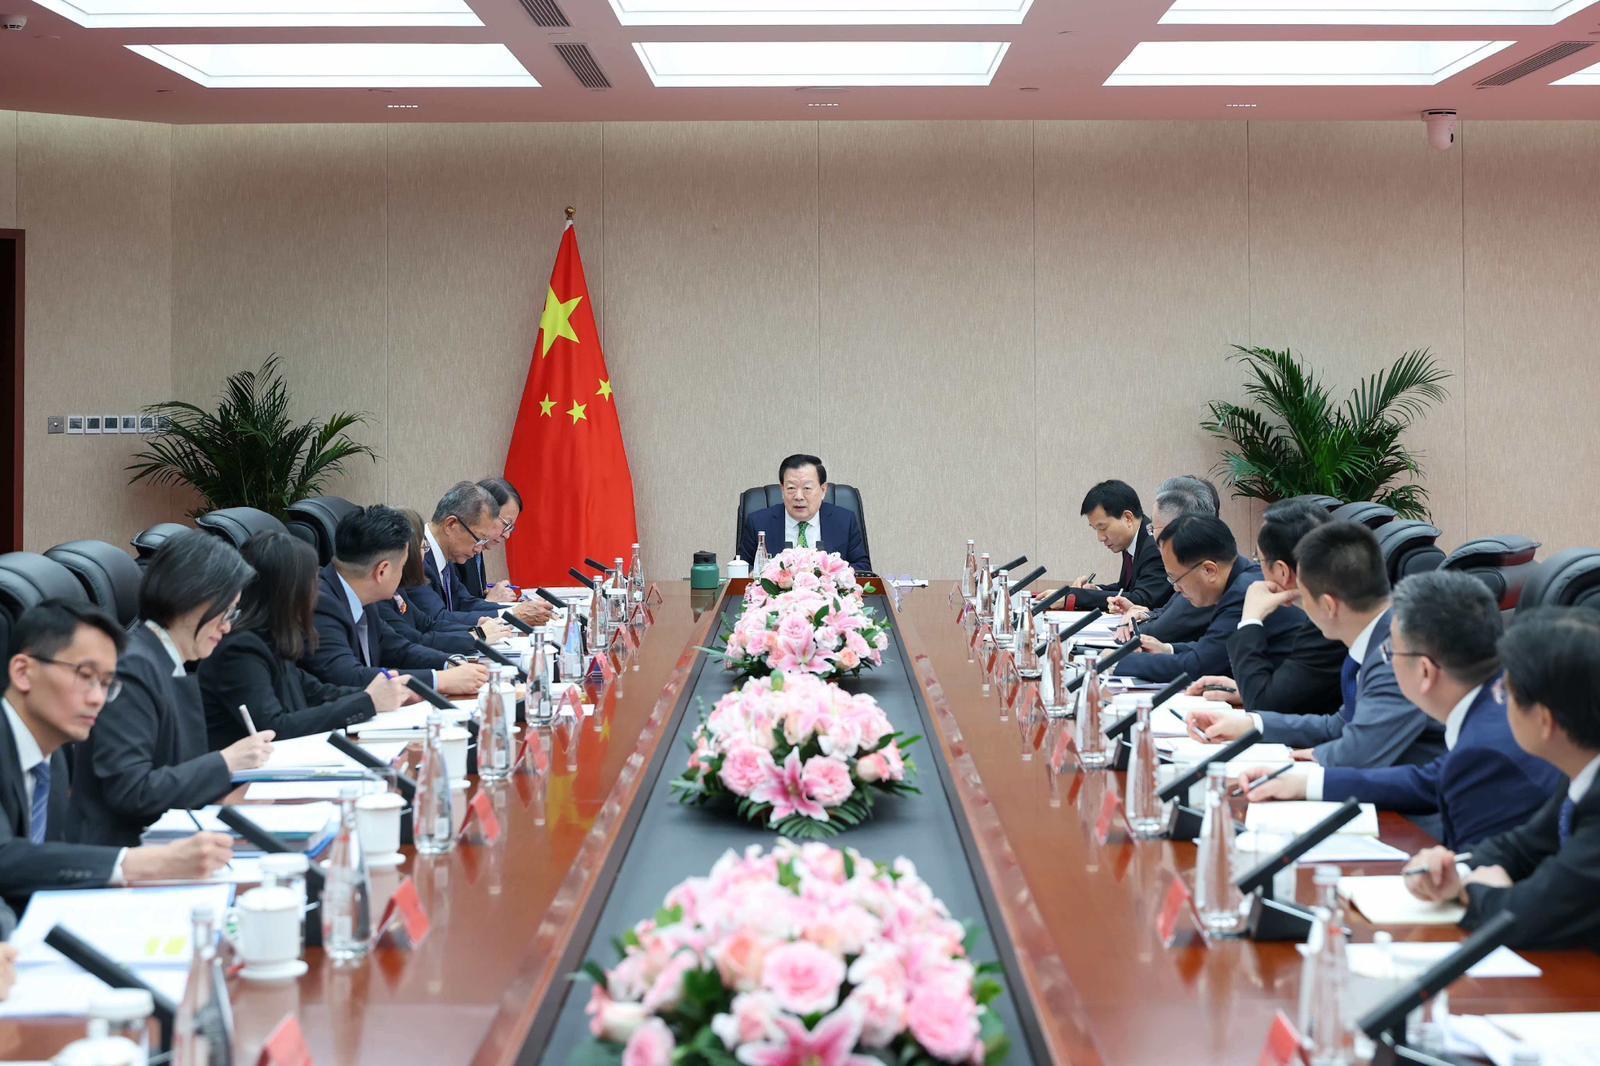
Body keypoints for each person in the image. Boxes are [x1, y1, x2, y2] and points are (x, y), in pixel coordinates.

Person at [1238, 571, 1562, 850]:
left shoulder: (1484, 745)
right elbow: (1429, 781)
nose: (1387, 660)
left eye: (1391, 650)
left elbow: (1484, 880)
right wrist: (1306, 783)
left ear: (1424, 671)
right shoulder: (1498, 699)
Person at [3, 601, 234, 903]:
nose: (98, 698)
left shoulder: (51, 756)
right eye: (85, 676)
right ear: (23, 672)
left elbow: (43, 861)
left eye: (106, 684)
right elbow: (5, 856)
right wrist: (141, 863)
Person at [1404, 607, 1600, 952]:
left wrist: (1471, 892)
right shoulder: (1582, 768)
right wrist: (1452, 868)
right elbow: (1521, 846)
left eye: (1505, 695)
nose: (1500, 704)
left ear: (1544, 720)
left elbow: (1529, 915)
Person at [1185, 521, 1445, 771]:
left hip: (1419, 807)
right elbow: (1339, 726)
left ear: (1328, 606)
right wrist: (1252, 723)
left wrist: (1316, 758)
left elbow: (1357, 754)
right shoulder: (1378, 635)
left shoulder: (1397, 652)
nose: (1301, 610)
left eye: (1304, 598)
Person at [68, 532, 274, 847]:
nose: (228, 626)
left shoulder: (165, 659)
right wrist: (226, 761)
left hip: (167, 836)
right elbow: (131, 791)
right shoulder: (131, 667)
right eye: (227, 612)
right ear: (193, 599)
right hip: (128, 852)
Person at [200, 533, 413, 749]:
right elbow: (275, 728)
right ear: (289, 592)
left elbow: (316, 692)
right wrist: (369, 701)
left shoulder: (270, 637)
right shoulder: (240, 650)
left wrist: (386, 693)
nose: (317, 591)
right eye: (312, 581)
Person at [302, 505, 488, 696]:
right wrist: (438, 680)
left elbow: (398, 649)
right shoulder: (318, 603)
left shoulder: (363, 595)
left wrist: (451, 663)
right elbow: (348, 675)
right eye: (401, 566)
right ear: (382, 571)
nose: (402, 576)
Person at [1186, 499, 1346, 714]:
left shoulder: (1329, 626)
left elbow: (1264, 706)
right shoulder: (1323, 612)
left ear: (1282, 571)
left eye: (1258, 559)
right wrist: (1246, 690)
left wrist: (1250, 619)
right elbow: (1287, 694)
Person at [1113, 514, 1298, 683]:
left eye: (1176, 578)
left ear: (1209, 570)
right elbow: (1217, 649)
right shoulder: (1240, 579)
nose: (1176, 588)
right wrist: (1168, 649)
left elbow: (1198, 666)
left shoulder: (1243, 592)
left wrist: (1119, 661)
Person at [413, 482, 550, 629]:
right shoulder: (415, 558)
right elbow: (438, 619)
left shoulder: (445, 555)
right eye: (478, 539)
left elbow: (465, 602)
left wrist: (514, 611)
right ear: (451, 524)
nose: (479, 549)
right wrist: (513, 616)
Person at [377, 510, 513, 657]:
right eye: (423, 547)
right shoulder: (377, 599)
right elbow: (415, 641)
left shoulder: (397, 590)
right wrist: (477, 635)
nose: (479, 548)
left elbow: (428, 624)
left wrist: (477, 627)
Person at [1110, 477, 1218, 643]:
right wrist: (1147, 614)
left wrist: (1127, 627)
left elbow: (1163, 630)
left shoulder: (1204, 569)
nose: (1151, 535)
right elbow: (1171, 610)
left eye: (1153, 527)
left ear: (1176, 527)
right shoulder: (1196, 558)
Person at [737, 454, 871, 572]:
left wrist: (833, 575)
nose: (799, 496)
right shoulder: (759, 522)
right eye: (791, 488)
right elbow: (741, 567)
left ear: (823, 490)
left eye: (807, 488)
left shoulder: (844, 521)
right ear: (782, 490)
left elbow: (863, 567)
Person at [1058, 480, 1170, 613]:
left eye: (1103, 527)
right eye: (1096, 529)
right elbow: (1125, 588)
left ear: (1128, 518)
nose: (1100, 538)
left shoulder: (1154, 546)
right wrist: (1095, 590)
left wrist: (1075, 596)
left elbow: (1141, 599)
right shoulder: (1133, 541)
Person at [454, 477, 524, 603]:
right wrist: (490, 601)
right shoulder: (459, 552)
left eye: (511, 528)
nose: (506, 535)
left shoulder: (477, 549)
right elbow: (452, 612)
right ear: (484, 512)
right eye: (506, 524)